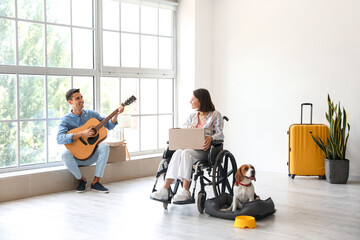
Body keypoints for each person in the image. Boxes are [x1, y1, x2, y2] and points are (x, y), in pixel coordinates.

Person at [151, 88, 224, 202]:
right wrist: (188, 128)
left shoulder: (215, 115)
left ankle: (185, 190)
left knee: (185, 153)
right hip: (189, 148)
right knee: (178, 152)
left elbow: (220, 134)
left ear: (201, 100)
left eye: (192, 99)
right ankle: (165, 188)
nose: (190, 101)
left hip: (206, 151)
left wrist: (211, 138)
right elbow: (184, 128)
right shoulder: (192, 116)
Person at [56, 88, 124, 193]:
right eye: (77, 98)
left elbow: (109, 125)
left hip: (92, 155)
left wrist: (116, 114)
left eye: (81, 97)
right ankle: (81, 180)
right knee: (64, 154)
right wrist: (81, 134)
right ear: (70, 102)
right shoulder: (66, 119)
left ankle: (96, 182)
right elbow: (60, 139)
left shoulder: (92, 115)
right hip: (76, 158)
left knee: (104, 146)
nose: (81, 100)